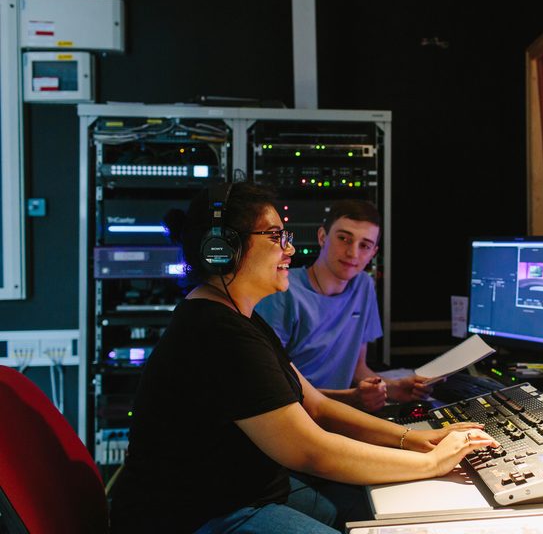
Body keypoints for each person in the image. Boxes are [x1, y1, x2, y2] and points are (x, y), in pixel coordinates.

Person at [109, 182, 494, 534]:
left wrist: (417, 440)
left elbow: (317, 406)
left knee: (375, 508)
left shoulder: (238, 315)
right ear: (223, 248)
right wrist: (433, 463)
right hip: (205, 516)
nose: (290, 249)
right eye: (276, 236)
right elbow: (311, 449)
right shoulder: (218, 332)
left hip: (251, 490)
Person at [256, 200, 430, 412]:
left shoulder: (363, 286)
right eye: (344, 239)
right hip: (294, 416)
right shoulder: (283, 291)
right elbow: (272, 386)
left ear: (373, 253)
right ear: (322, 237)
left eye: (364, 245)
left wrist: (393, 389)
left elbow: (358, 369)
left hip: (336, 412)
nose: (353, 253)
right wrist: (350, 399)